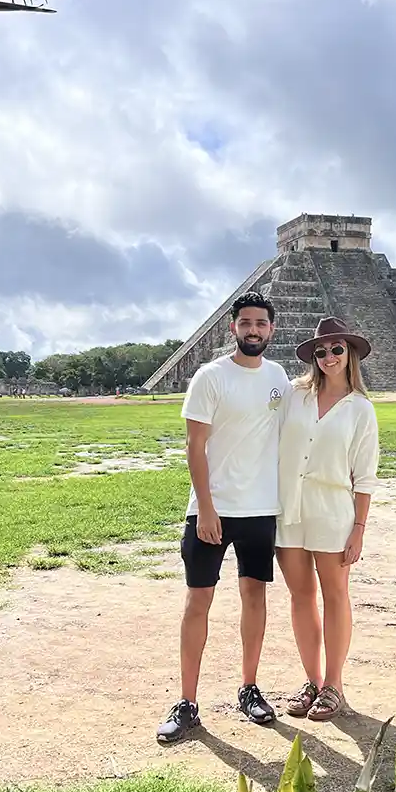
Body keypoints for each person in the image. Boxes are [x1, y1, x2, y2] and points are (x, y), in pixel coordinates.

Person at [156, 290, 290, 743]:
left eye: (262, 324)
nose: (254, 330)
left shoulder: (279, 378)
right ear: (232, 327)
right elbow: (195, 446)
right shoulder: (210, 377)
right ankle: (188, 701)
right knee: (198, 602)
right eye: (246, 322)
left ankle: (249, 687)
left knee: (256, 599)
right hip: (212, 512)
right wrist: (207, 508)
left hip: (259, 510)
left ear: (272, 329)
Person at [276, 317, 379, 721]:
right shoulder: (294, 397)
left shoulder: (360, 409)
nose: (329, 357)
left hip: (333, 512)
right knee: (301, 598)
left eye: (337, 349)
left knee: (335, 596)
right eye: (321, 351)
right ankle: (312, 680)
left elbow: (365, 475)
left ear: (349, 353)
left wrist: (359, 528)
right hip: (290, 511)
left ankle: (334, 684)